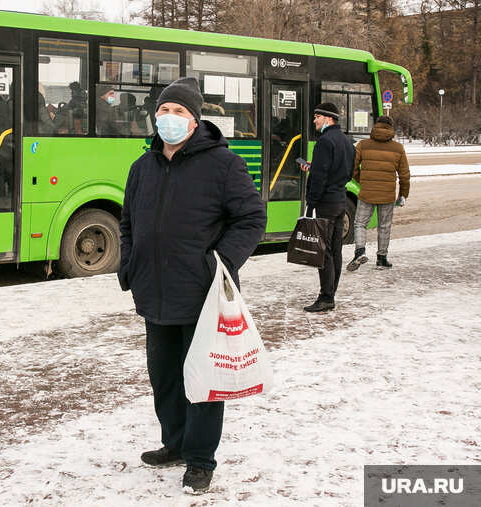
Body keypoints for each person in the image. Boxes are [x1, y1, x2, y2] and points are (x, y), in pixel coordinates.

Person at [118, 77, 267, 494]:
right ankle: (175, 444)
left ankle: (200, 459)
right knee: (164, 377)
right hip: (153, 292)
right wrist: (127, 264)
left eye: (178, 112)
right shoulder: (141, 167)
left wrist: (218, 262)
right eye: (163, 110)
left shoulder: (224, 164)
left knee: (202, 380)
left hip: (202, 294)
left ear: (195, 120)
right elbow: (127, 223)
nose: (169, 118)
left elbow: (252, 218)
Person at [299, 102, 356, 312]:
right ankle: (331, 292)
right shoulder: (347, 142)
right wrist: (315, 170)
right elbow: (348, 173)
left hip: (326, 203)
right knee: (336, 250)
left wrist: (311, 204)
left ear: (328, 119)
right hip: (340, 200)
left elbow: (320, 177)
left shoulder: (324, 141)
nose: (314, 120)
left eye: (317, 116)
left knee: (324, 252)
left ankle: (326, 297)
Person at [347, 115, 410, 270]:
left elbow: (352, 168)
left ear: (376, 126)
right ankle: (382, 258)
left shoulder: (363, 145)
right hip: (387, 194)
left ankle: (360, 251)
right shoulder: (398, 148)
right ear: (391, 128)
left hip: (367, 193)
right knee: (384, 226)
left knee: (360, 223)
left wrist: (363, 181)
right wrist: (403, 194)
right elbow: (404, 175)